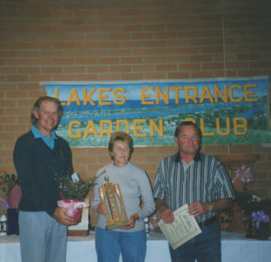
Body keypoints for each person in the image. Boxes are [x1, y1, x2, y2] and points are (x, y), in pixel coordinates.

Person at [153, 121, 236, 262]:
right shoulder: (165, 165)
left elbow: (228, 198)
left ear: (200, 139)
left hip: (208, 233)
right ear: (176, 140)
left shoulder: (213, 164)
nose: (191, 142)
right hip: (178, 231)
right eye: (185, 137)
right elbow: (158, 197)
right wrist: (163, 208)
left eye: (194, 137)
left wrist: (209, 206)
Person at [13, 96, 78, 262]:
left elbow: (69, 179)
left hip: (60, 214)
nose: (51, 117)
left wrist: (75, 202)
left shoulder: (63, 145)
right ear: (35, 113)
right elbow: (28, 184)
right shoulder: (25, 143)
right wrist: (53, 210)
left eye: (55, 113)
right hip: (35, 214)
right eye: (46, 112)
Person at [91, 132, 156, 262]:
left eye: (126, 148)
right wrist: (98, 207)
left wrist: (136, 216)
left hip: (134, 232)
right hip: (106, 232)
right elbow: (94, 203)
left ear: (130, 151)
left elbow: (151, 205)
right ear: (111, 151)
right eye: (118, 148)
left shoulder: (140, 174)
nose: (123, 152)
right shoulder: (101, 174)